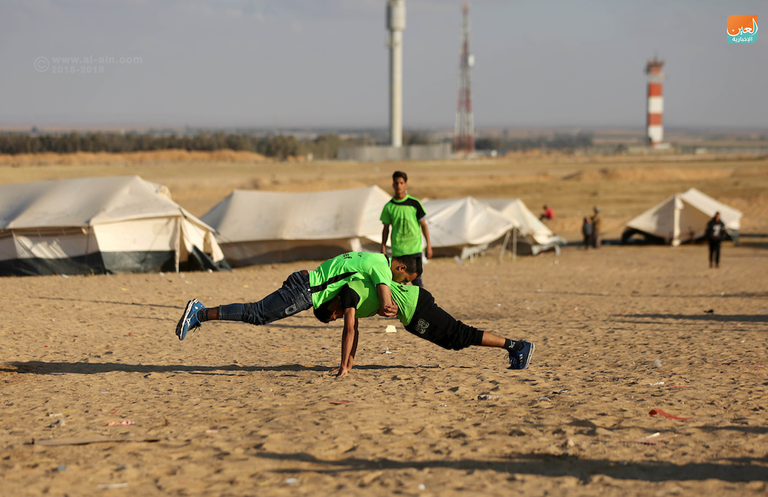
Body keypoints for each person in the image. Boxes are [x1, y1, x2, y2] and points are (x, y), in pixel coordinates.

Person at [314, 279, 535, 378]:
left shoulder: (347, 296)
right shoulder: (347, 295)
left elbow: (349, 330)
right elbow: (356, 332)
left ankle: (517, 346)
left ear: (332, 306)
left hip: (417, 306)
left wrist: (343, 366)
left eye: (334, 316)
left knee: (460, 334)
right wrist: (348, 365)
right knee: (454, 342)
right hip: (412, 313)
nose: (338, 318)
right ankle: (515, 347)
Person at [175, 252, 422, 340]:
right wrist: (389, 308)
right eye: (405, 280)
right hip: (304, 292)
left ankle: (201, 313)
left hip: (303, 282)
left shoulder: (373, 258)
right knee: (257, 314)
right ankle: (200, 312)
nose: (401, 283)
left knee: (257, 313)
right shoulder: (380, 266)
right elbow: (386, 302)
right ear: (400, 268)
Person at [381, 171, 432, 288]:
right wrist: (382, 247)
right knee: (398, 284)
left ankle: (421, 305)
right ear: (393, 185)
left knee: (417, 283)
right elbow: (385, 228)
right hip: (398, 251)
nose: (399, 185)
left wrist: (428, 245)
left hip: (414, 249)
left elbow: (424, 225)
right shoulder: (389, 206)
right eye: (396, 183)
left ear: (406, 185)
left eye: (401, 183)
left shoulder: (415, 203)